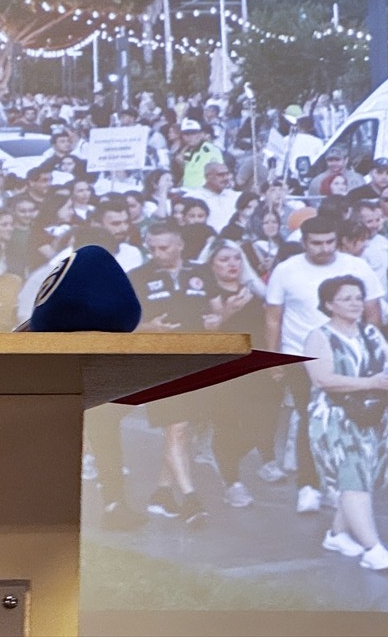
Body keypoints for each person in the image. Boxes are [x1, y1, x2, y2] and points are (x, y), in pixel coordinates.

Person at [265, 216, 384, 514]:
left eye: (329, 241)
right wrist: (274, 358)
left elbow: (373, 313)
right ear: (304, 242)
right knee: (311, 420)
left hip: (349, 355)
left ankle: (338, 484)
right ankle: (308, 485)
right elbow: (273, 317)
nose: (324, 248)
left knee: (346, 420)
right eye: (316, 243)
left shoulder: (356, 267)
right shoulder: (286, 270)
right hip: (300, 357)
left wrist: (372, 352)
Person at [303, 276, 388, 570]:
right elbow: (323, 379)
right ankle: (373, 549)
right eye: (346, 298)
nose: (355, 303)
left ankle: (336, 535)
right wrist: (371, 381)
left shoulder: (371, 332)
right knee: (353, 477)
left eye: (358, 297)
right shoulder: (318, 336)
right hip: (335, 417)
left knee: (364, 477)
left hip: (372, 414)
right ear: (328, 304)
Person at [130, 222, 216, 526]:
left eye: (163, 247)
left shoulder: (202, 272)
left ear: (179, 244)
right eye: (151, 248)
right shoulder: (138, 277)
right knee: (177, 427)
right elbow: (123, 324)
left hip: (197, 361)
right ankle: (191, 500)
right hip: (160, 363)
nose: (157, 253)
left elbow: (217, 311)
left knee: (182, 430)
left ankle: (162, 492)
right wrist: (152, 328)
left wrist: (219, 319)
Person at [204, 241, 281, 507]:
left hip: (257, 364)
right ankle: (231, 482)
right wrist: (229, 311)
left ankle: (226, 458)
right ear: (212, 264)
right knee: (226, 424)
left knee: (264, 421)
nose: (232, 264)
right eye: (224, 259)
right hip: (224, 368)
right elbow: (208, 329)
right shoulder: (206, 290)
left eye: (237, 258)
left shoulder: (254, 290)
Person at [175, 118, 225, 189]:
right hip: (187, 190)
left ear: (201, 134)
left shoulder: (210, 150)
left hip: (203, 191)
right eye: (186, 134)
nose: (190, 137)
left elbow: (218, 172)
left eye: (193, 133)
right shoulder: (187, 151)